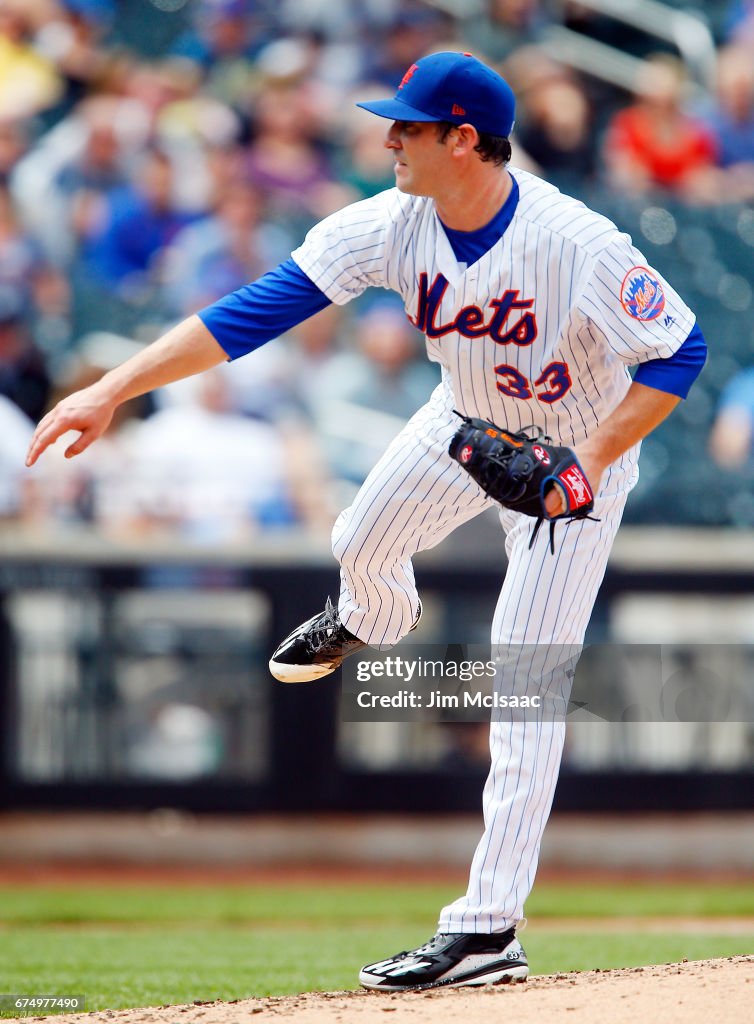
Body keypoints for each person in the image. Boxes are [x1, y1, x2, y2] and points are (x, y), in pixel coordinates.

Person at [26, 52, 706, 990]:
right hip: (465, 421)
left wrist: (584, 466)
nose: (389, 137)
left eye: (411, 127)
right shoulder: (392, 224)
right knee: (358, 540)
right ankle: (371, 618)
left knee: (523, 676)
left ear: (464, 140)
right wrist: (110, 388)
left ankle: (486, 928)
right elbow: (251, 312)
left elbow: (679, 351)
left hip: (576, 459)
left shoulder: (575, 242)